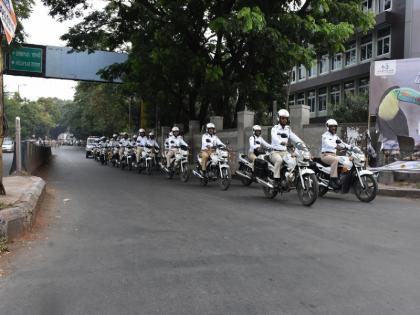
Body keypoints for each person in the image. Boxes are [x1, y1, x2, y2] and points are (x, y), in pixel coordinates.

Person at [270, 109, 303, 183]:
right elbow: (274, 137)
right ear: (279, 118)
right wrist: (281, 142)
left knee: (294, 159)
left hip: (284, 152)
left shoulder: (288, 129)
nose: (285, 120)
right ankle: (276, 179)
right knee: (279, 160)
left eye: (286, 118)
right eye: (283, 118)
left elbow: (294, 137)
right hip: (275, 152)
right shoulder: (274, 128)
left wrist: (302, 143)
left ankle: (289, 177)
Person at [320, 119, 350, 189]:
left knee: (344, 161)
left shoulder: (335, 136)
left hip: (334, 155)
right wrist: (336, 146)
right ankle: (332, 180)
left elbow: (341, 143)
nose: (334, 128)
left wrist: (350, 147)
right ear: (328, 127)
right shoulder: (324, 136)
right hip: (325, 155)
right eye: (332, 126)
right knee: (335, 160)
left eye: (335, 126)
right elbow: (329, 143)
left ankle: (340, 178)